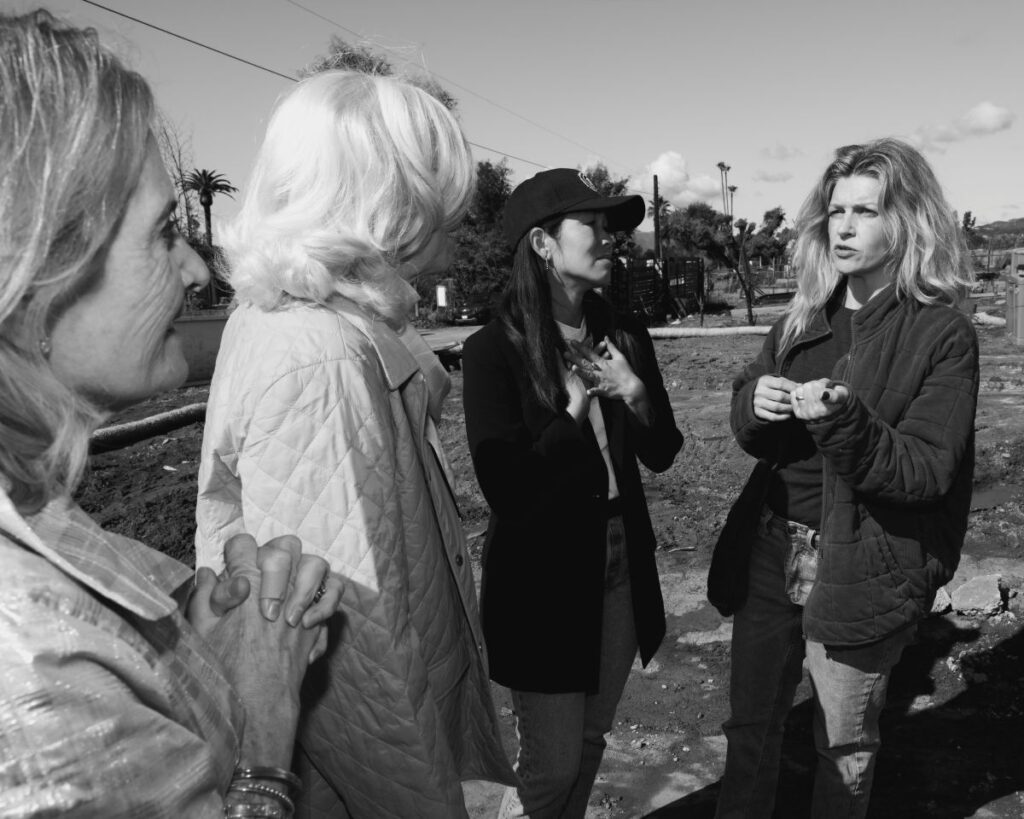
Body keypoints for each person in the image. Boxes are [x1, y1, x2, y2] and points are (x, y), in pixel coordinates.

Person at [0, 11, 344, 818]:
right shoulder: (35, 669)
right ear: (35, 282)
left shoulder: (32, 502)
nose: (196, 269)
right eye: (162, 234)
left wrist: (180, 643)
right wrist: (264, 722)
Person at [194, 69, 514, 818]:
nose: (457, 213)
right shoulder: (324, 357)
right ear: (391, 200)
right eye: (441, 190)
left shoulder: (294, 322)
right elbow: (359, 670)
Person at [714, 138, 979, 818]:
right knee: (750, 729)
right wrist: (756, 401)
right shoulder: (806, 310)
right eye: (836, 209)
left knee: (844, 745)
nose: (844, 226)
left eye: (866, 210)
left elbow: (925, 469)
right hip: (773, 550)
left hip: (861, 561)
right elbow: (750, 419)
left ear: (908, 222)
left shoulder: (942, 333)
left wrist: (841, 418)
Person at [461, 169, 684, 818]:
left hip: (618, 559)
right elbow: (504, 487)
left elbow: (663, 450)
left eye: (612, 224)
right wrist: (570, 410)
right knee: (552, 767)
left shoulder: (624, 335)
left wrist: (635, 392)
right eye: (593, 223)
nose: (611, 236)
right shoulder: (491, 352)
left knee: (592, 738)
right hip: (542, 581)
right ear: (543, 245)